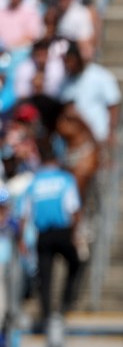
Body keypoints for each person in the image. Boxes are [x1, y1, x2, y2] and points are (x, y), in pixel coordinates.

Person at [17, 138, 81, 330]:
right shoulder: (65, 179)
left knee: (45, 274)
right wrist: (75, 234)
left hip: (42, 235)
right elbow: (74, 209)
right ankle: (65, 302)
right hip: (62, 232)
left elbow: (23, 214)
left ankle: (46, 314)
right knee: (76, 263)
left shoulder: (33, 182)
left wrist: (21, 240)